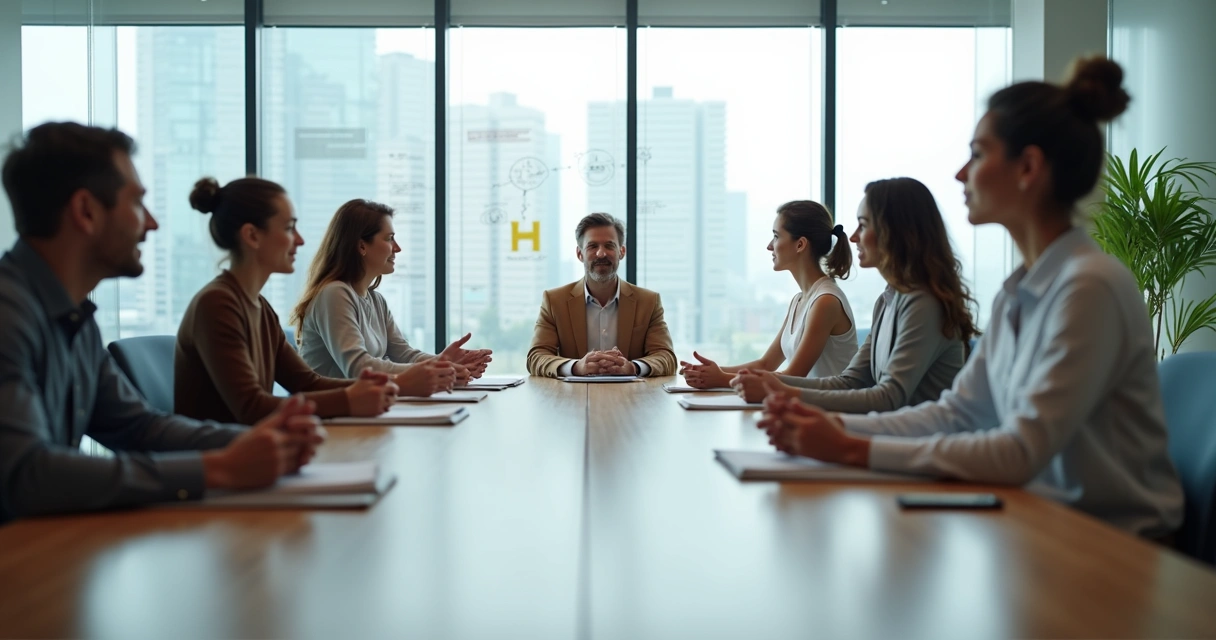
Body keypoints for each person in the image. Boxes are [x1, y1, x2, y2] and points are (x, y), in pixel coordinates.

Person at [758, 57, 1183, 539]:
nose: (961, 173)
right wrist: (834, 429)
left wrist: (849, 447)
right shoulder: (1018, 291)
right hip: (1038, 524)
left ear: (1028, 168)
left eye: (978, 154)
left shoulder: (1089, 287)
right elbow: (959, 413)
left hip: (1111, 543)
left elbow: (1020, 451)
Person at [0, 122, 324, 523]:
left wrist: (262, 442)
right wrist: (216, 468)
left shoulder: (74, 318)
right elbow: (26, 476)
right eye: (137, 203)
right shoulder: (9, 316)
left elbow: (139, 428)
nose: (151, 223)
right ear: (86, 212)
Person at [731, 178, 979, 412]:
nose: (852, 237)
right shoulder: (887, 301)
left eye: (863, 224)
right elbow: (850, 381)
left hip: (917, 447)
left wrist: (782, 391)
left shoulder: (925, 304)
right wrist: (775, 385)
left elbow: (888, 397)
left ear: (894, 231)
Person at [176, 177, 398, 424]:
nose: (300, 240)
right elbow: (252, 406)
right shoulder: (217, 304)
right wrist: (350, 398)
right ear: (252, 235)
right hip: (224, 456)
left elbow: (307, 382)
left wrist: (371, 388)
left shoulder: (260, 307)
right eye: (289, 228)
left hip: (254, 449)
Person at [292, 199, 491, 393]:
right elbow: (358, 367)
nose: (397, 248)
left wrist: (444, 363)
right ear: (361, 246)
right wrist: (440, 369)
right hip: (332, 418)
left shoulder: (376, 300)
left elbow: (403, 354)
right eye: (389, 238)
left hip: (363, 412)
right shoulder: (334, 294)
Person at [680, 200, 857, 388]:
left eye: (776, 236)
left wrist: (721, 379)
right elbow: (766, 364)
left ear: (800, 244)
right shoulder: (799, 300)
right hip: (809, 406)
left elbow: (794, 376)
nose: (769, 246)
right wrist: (707, 372)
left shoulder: (826, 301)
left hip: (831, 411)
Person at [527, 212, 676, 378]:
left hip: (632, 399)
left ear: (622, 251)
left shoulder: (648, 302)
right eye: (592, 246)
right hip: (573, 399)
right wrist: (576, 367)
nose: (601, 254)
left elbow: (666, 357)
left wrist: (633, 368)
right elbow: (536, 357)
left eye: (609, 245)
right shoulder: (554, 301)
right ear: (579, 254)